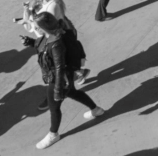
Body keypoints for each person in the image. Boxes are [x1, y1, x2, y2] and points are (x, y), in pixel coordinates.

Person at [25, 11, 104, 149]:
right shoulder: (49, 36)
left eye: (37, 26)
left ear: (44, 27)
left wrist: (57, 89)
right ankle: (96, 110)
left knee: (54, 108)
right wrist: (31, 42)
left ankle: (53, 134)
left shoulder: (56, 44)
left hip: (58, 79)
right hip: (64, 79)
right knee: (73, 93)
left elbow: (59, 67)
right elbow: (42, 46)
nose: (35, 29)